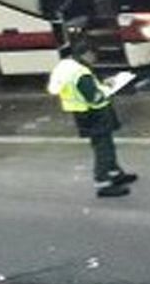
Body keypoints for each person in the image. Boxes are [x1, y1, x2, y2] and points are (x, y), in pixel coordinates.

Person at [47, 44, 137, 198]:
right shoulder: (81, 73)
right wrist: (111, 88)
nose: (95, 59)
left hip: (84, 115)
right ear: (86, 54)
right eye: (94, 55)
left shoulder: (70, 67)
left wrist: (103, 85)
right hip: (94, 115)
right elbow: (94, 98)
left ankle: (115, 173)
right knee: (103, 148)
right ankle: (103, 183)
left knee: (105, 145)